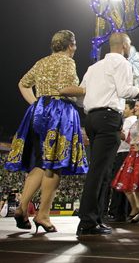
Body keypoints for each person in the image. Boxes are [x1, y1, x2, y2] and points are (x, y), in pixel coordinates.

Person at [76, 33, 139, 236]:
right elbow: (126, 91)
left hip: (91, 118)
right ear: (125, 46)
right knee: (100, 173)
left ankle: (95, 218)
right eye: (130, 44)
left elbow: (80, 96)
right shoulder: (122, 63)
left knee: (102, 172)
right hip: (108, 118)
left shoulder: (94, 67)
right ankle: (89, 220)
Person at [5, 30, 88, 233]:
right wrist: (89, 88)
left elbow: (23, 84)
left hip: (38, 112)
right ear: (70, 45)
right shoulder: (67, 61)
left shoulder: (42, 62)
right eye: (74, 44)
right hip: (59, 111)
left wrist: (37, 104)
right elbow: (64, 88)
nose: (75, 48)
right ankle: (43, 214)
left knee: (40, 164)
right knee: (55, 164)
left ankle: (22, 208)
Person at [111, 98, 139, 223]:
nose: (135, 108)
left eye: (137, 106)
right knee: (137, 184)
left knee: (125, 180)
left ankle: (137, 207)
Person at [106, 100, 136, 222]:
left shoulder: (130, 121)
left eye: (126, 107)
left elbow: (126, 137)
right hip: (127, 153)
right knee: (125, 184)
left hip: (124, 153)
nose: (123, 110)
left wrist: (115, 131)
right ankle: (124, 212)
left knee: (118, 183)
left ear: (132, 109)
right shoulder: (133, 121)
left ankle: (116, 212)